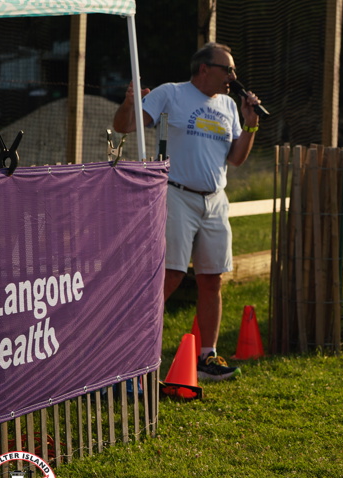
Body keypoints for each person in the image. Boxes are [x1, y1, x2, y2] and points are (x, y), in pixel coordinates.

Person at [112, 42, 262, 381]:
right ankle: (131, 353)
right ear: (204, 69)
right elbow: (125, 126)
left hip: (215, 199)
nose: (233, 77)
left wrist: (251, 124)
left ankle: (207, 357)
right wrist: (129, 104)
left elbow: (236, 158)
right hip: (176, 193)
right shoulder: (172, 93)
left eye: (234, 71)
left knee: (212, 278)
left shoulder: (228, 104)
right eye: (228, 70)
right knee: (171, 275)